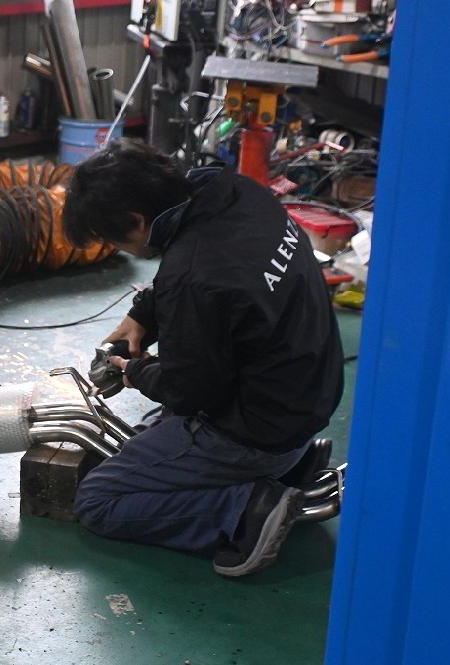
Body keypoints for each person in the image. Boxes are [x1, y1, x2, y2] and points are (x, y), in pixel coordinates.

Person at [62, 140, 343, 577]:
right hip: (308, 401)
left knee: (99, 499)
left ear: (136, 221)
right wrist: (145, 313)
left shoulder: (193, 278)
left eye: (116, 241)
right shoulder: (239, 193)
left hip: (261, 433)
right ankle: (293, 468)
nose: (122, 251)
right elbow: (223, 278)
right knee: (152, 429)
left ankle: (245, 509)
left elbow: (190, 392)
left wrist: (137, 371)